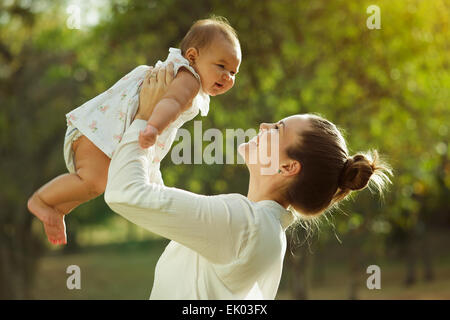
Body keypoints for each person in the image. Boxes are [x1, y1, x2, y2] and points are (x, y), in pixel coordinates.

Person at [104, 66, 393, 299]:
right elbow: (155, 198)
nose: (264, 126)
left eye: (278, 129)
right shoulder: (260, 228)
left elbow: (125, 192)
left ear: (288, 166)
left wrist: (144, 118)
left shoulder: (246, 224)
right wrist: (164, 120)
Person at [27, 17, 242, 245]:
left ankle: (58, 208)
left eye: (233, 72)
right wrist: (153, 127)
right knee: (92, 181)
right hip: (100, 133)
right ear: (192, 56)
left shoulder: (184, 74)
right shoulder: (189, 80)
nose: (227, 77)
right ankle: (41, 201)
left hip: (102, 133)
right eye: (221, 66)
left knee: (96, 185)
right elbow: (171, 102)